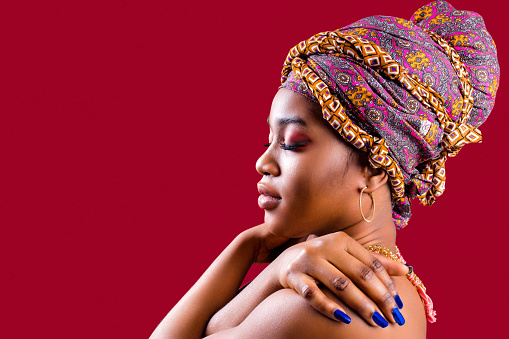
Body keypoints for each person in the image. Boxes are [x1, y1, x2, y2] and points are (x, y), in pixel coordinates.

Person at [151, 1, 499, 338]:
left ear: (375, 166)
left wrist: (268, 266)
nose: (263, 163)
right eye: (268, 140)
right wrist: (253, 249)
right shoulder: (362, 284)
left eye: (292, 142)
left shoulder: (322, 304)